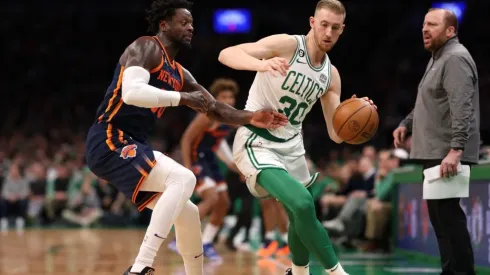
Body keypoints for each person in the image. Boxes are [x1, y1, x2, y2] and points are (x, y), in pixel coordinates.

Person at [84, 0, 288, 274]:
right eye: (184, 22)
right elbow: (132, 93)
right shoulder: (146, 47)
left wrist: (250, 117)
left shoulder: (180, 73)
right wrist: (181, 99)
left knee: (188, 212)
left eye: (192, 23)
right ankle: (141, 267)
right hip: (110, 137)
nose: (190, 27)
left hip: (131, 143)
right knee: (184, 178)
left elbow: (214, 107)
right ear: (164, 25)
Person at [218, 1, 375, 274]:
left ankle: (298, 271)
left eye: (334, 28)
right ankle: (337, 272)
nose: (328, 32)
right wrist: (262, 64)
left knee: (300, 214)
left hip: (292, 147)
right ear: (312, 22)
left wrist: (356, 116)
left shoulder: (331, 76)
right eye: (323, 24)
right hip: (257, 140)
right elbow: (226, 53)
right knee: (303, 203)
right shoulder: (288, 45)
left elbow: (335, 135)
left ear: (341, 31)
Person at [393, 8, 479, 275]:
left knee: (449, 218)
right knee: (441, 220)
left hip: (446, 151)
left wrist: (456, 149)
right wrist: (407, 124)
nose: (424, 29)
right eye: (423, 24)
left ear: (450, 31)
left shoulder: (454, 58)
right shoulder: (437, 58)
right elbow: (427, 101)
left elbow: (462, 106)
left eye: (432, 24)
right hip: (436, 150)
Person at [168, 78, 240, 261]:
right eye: (224, 96)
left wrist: (236, 167)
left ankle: (206, 242)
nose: (229, 100)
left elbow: (218, 143)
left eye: (231, 97)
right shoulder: (207, 114)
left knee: (224, 203)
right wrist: (187, 165)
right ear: (216, 98)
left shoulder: (231, 118)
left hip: (211, 161)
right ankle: (180, 239)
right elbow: (186, 139)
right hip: (196, 159)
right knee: (212, 198)